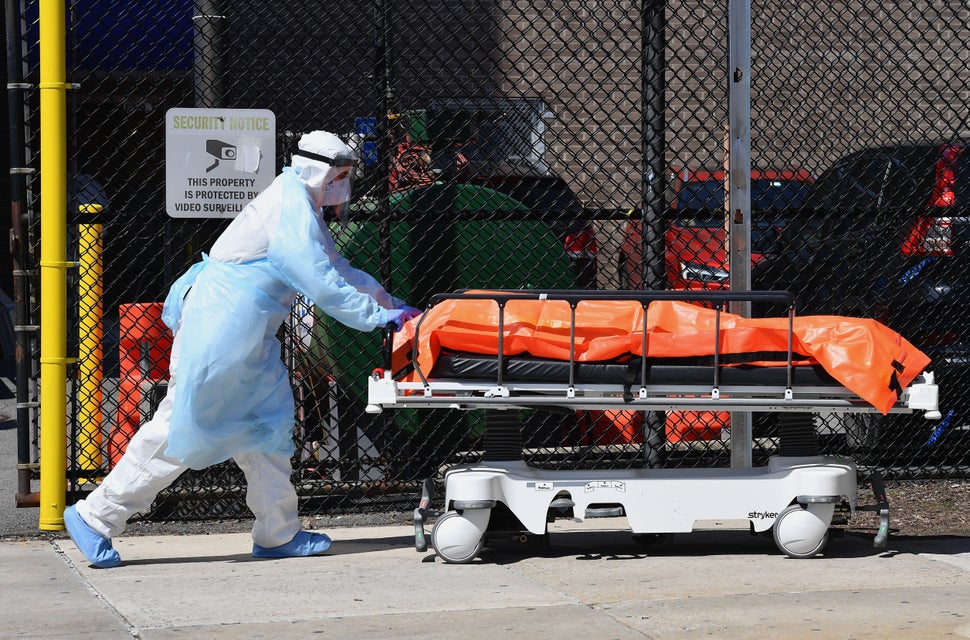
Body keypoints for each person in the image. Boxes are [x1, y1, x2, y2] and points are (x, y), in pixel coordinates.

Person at [64, 130, 420, 568]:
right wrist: (378, 316)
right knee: (183, 425)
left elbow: (337, 267)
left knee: (267, 428)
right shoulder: (290, 204)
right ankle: (95, 515)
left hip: (246, 333)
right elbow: (319, 279)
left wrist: (394, 307)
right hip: (224, 329)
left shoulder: (299, 204)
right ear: (320, 171)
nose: (343, 185)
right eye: (340, 175)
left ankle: (277, 532)